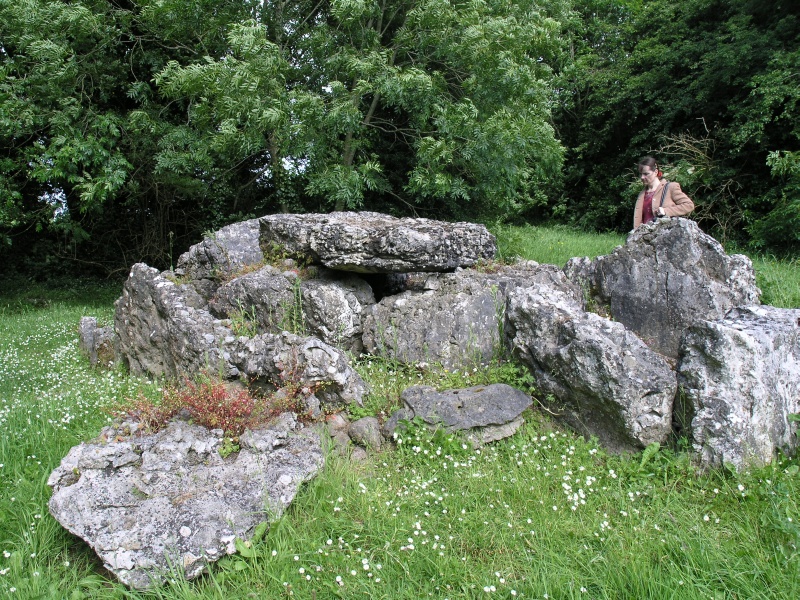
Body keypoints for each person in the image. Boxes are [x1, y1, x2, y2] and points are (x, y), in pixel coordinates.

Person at [633, 156, 694, 228]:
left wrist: (666, 211)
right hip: (645, 237)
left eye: (646, 174)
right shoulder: (641, 194)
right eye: (641, 174)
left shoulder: (670, 187)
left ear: (656, 172)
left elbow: (689, 205)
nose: (642, 177)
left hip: (665, 237)